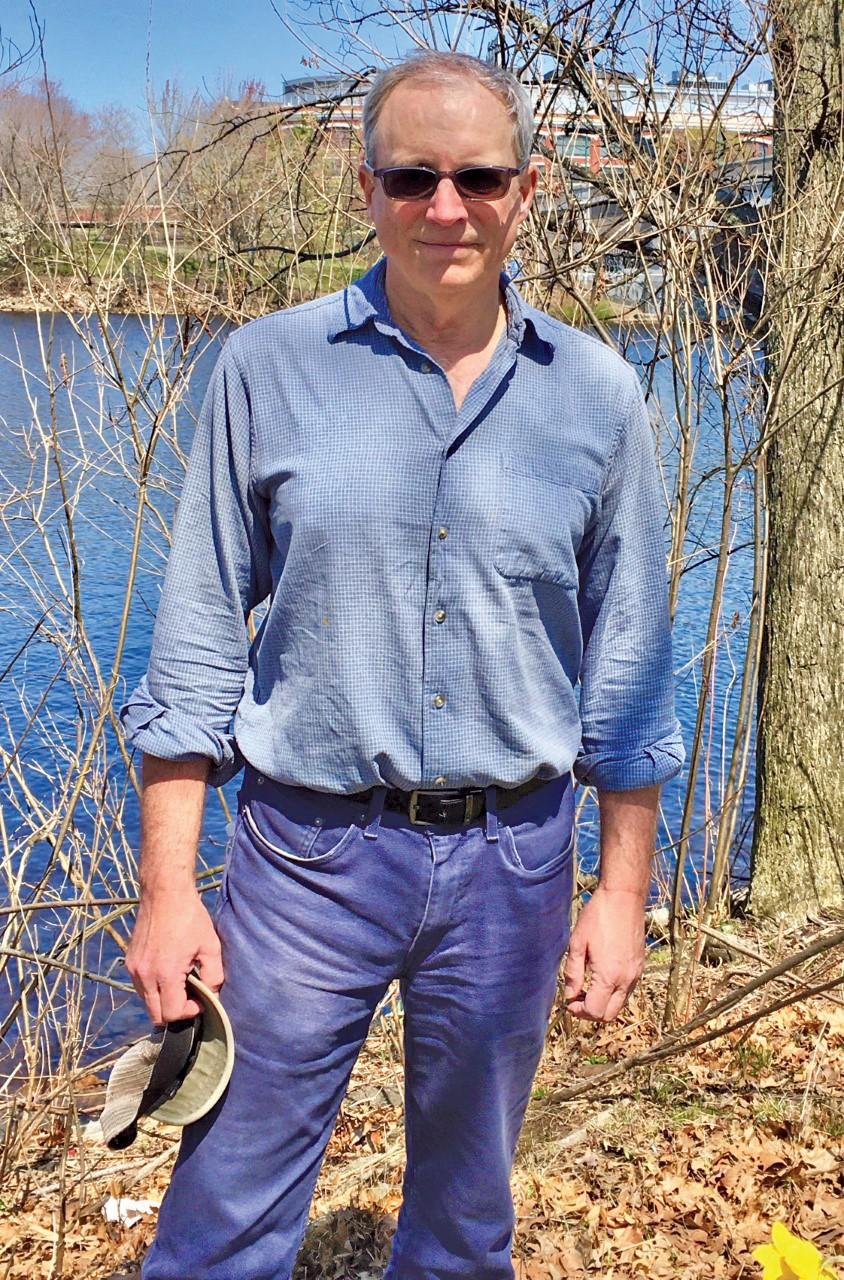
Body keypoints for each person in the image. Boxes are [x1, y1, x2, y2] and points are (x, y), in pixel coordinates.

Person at [120, 49, 684, 1280]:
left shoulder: (598, 398)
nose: (446, 206)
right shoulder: (266, 369)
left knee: (466, 1229)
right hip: (305, 863)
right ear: (364, 189)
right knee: (222, 1215)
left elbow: (631, 667)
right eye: (412, 176)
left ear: (526, 189)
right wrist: (168, 889)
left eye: (477, 176)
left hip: (512, 866)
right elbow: (197, 640)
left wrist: (621, 890)